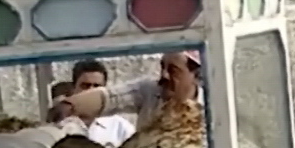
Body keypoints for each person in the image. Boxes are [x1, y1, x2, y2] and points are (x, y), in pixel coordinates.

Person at [64, 51, 204, 132]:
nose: (164, 75)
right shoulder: (149, 91)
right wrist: (71, 104)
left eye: (173, 71)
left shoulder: (211, 109)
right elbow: (111, 98)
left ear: (196, 76)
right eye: (162, 67)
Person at [69, 60, 135, 148]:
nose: (91, 91)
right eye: (85, 86)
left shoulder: (120, 128)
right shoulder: (61, 126)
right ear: (73, 88)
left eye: (97, 86)